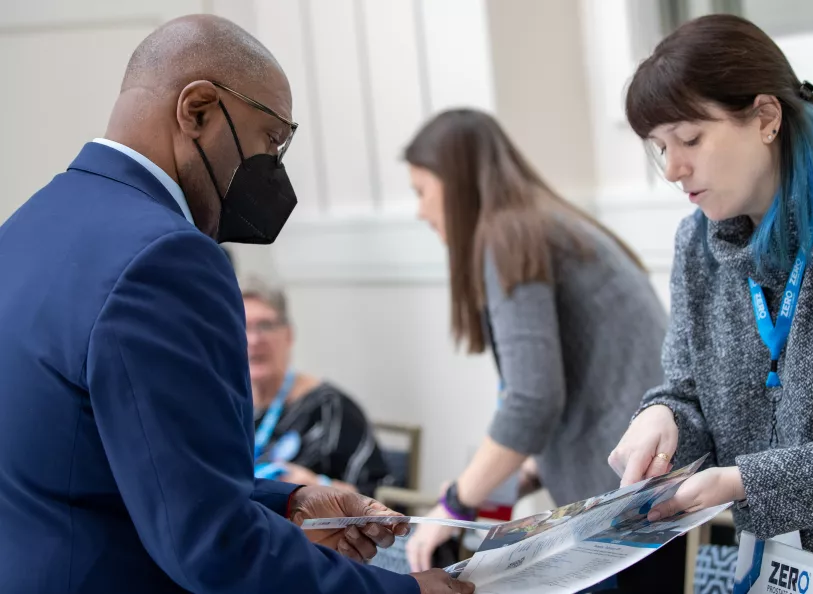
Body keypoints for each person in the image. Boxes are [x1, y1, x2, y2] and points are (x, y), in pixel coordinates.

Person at [0, 14, 471, 594]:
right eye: (270, 140)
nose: (273, 168)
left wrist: (288, 501)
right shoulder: (167, 256)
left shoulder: (24, 228)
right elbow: (211, 544)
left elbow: (123, 462)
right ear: (197, 110)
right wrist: (410, 592)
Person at [607, 14, 813, 593]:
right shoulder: (696, 240)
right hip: (753, 569)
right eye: (660, 148)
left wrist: (744, 482)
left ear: (766, 118)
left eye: (691, 139)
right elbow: (687, 391)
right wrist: (662, 416)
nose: (674, 170)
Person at [402, 109, 679, 591]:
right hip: (650, 483)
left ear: (457, 182)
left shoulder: (507, 236)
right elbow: (584, 376)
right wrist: (527, 471)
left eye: (422, 191)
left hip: (633, 502)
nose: (420, 211)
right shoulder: (544, 221)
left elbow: (531, 401)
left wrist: (454, 504)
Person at [242, 276, 393, 496]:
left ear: (289, 335)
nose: (254, 340)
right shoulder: (222, 406)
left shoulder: (330, 408)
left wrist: (319, 487)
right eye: (242, 327)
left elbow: (381, 497)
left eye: (265, 325)